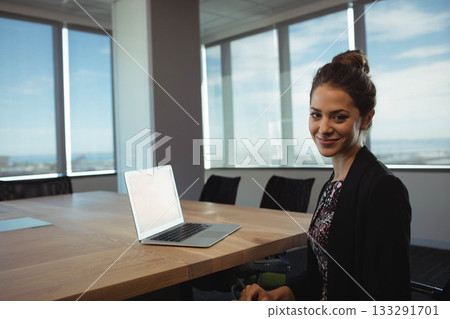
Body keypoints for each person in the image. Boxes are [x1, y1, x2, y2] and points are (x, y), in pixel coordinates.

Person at [239, 50, 411, 301]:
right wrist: (281, 294)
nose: (323, 128)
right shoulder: (333, 184)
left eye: (339, 117)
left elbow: (386, 297)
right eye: (316, 114)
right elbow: (324, 276)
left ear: (366, 119)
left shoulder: (383, 188)